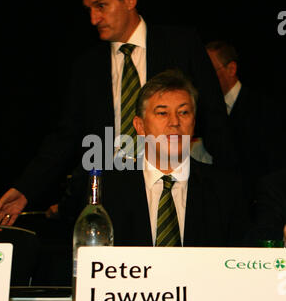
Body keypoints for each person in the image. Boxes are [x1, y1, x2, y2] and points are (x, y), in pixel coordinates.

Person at [0, 0, 236, 228]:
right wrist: (27, 189)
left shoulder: (181, 44)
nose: (94, 18)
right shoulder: (87, 67)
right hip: (115, 197)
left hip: (179, 188)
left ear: (129, 0)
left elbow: (215, 117)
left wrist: (234, 185)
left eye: (101, 6)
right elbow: (65, 138)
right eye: (90, 10)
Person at [59, 70, 250, 247]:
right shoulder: (106, 191)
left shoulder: (225, 190)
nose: (174, 122)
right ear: (140, 126)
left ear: (194, 122)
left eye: (183, 112)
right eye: (162, 113)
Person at [203, 40, 285, 201]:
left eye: (209, 71)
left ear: (231, 69)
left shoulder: (264, 108)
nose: (204, 79)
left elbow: (273, 164)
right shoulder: (206, 111)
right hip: (223, 203)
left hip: (259, 203)